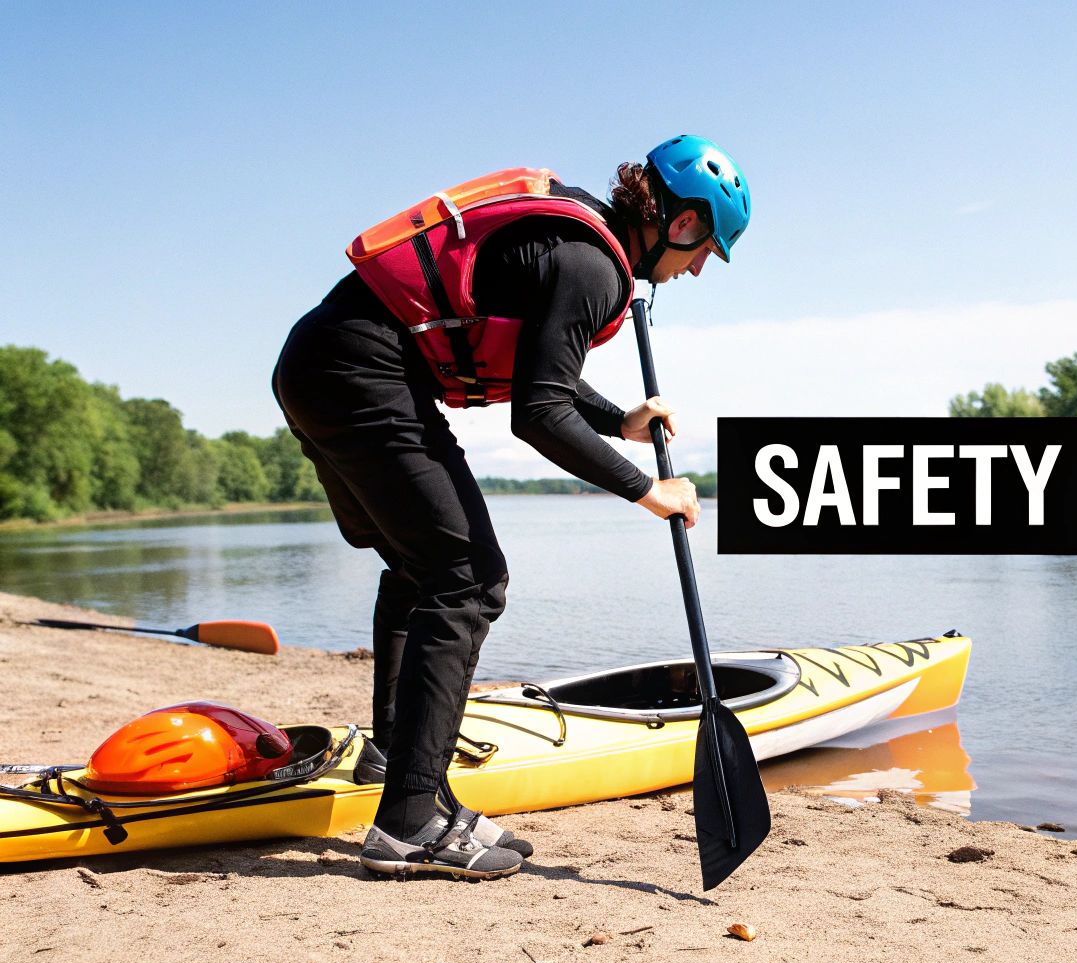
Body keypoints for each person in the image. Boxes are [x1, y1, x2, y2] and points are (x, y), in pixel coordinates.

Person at [271, 136, 750, 880]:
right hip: (359, 372)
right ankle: (408, 824)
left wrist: (616, 418)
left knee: (422, 566)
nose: (694, 270)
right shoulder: (594, 266)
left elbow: (542, 377)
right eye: (703, 252)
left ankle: (404, 771)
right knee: (469, 579)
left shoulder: (579, 241)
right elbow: (538, 415)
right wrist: (649, 489)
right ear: (682, 223)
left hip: (318, 363)